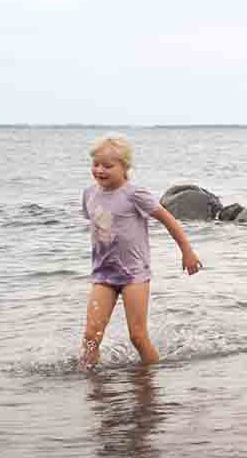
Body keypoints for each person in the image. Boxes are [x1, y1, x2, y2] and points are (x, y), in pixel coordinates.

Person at [81, 135, 202, 369]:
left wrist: (187, 252)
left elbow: (169, 220)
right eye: (96, 164)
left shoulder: (134, 194)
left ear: (125, 167)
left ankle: (150, 380)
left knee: (137, 336)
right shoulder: (89, 194)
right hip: (103, 274)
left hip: (134, 275)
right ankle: (90, 385)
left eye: (108, 166)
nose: (100, 170)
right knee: (90, 336)